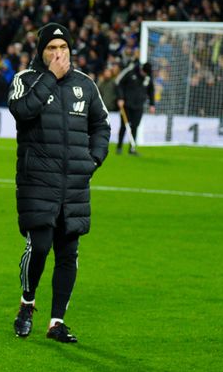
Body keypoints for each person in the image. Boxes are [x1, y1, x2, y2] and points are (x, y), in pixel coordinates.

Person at [9, 22, 110, 344]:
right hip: (38, 180)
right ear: (41, 52)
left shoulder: (86, 85)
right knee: (39, 246)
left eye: (63, 48)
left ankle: (56, 322)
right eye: (52, 48)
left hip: (75, 183)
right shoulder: (25, 80)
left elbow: (101, 125)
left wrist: (93, 159)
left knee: (69, 252)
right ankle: (27, 303)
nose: (58, 54)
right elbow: (22, 111)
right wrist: (50, 77)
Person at [114, 58, 155, 155]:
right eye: (145, 73)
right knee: (124, 126)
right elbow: (118, 83)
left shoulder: (148, 78)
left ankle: (131, 148)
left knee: (135, 126)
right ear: (142, 70)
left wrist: (152, 104)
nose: (146, 75)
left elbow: (151, 91)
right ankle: (119, 147)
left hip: (139, 106)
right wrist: (120, 98)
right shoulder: (130, 72)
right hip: (126, 105)